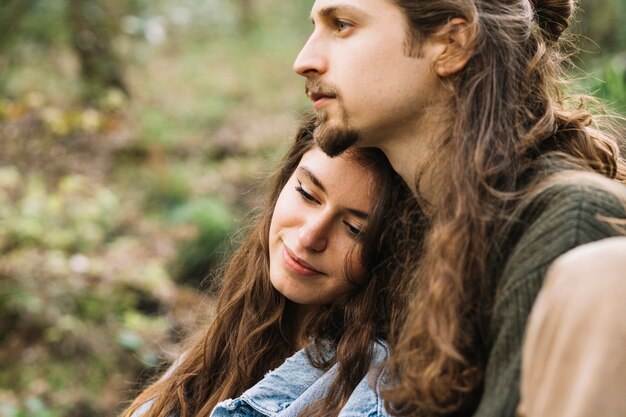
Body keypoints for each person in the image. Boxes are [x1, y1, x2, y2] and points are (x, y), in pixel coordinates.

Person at [293, 0, 626, 416]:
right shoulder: (413, 222)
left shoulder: (564, 226)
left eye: (342, 25)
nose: (304, 61)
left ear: (451, 43)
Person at [120, 115, 423, 417]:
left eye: (355, 229)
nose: (309, 237)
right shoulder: (228, 334)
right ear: (284, 183)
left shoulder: (371, 393)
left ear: (391, 253)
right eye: (306, 194)